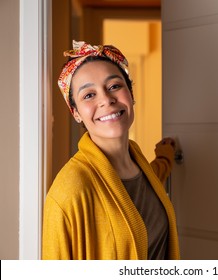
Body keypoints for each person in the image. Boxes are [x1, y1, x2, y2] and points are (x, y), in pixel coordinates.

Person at [42, 40, 180, 260]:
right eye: (89, 95)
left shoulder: (138, 163)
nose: (106, 99)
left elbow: (148, 183)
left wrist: (165, 155)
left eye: (114, 86)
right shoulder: (69, 191)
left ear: (131, 94)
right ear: (76, 113)